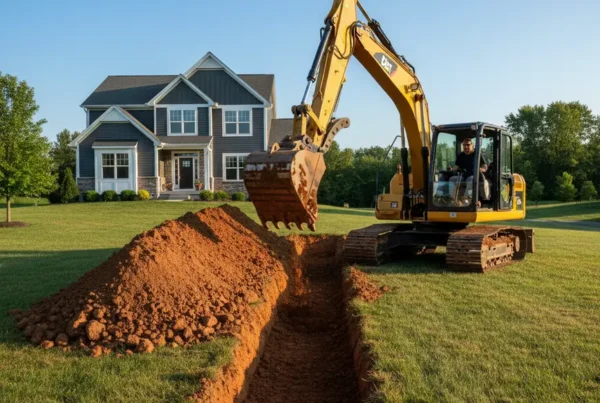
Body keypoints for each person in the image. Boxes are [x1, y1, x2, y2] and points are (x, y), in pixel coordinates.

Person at [448, 137, 488, 204]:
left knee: (471, 179)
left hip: (474, 175)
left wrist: (480, 169)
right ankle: (452, 199)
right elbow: (457, 166)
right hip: (463, 176)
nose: (465, 147)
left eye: (468, 145)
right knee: (452, 179)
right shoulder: (461, 155)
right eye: (464, 145)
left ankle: (467, 199)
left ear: (472, 145)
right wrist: (451, 169)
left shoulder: (477, 154)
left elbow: (485, 167)